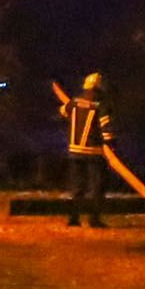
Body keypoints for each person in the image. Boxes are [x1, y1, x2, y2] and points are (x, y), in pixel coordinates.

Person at [54, 73, 116, 227]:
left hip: (74, 152)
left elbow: (62, 112)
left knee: (76, 187)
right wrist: (111, 144)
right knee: (97, 187)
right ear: (99, 87)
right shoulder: (100, 105)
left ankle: (73, 219)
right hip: (94, 152)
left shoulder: (74, 102)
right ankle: (94, 219)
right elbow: (106, 128)